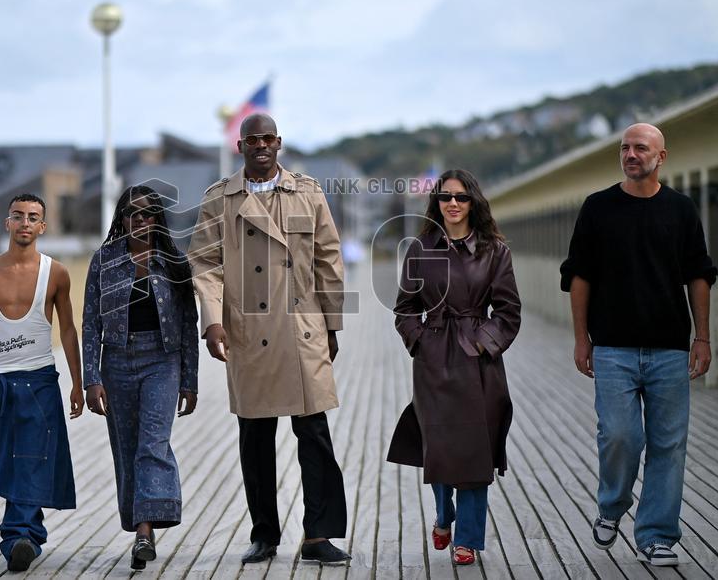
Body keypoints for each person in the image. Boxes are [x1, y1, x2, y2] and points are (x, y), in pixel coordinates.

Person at [188, 113, 351, 564]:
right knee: (254, 438)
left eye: (268, 139)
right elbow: (204, 263)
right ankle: (265, 534)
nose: (260, 145)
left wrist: (333, 325)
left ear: (278, 143)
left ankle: (319, 535)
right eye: (252, 139)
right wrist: (212, 320)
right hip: (247, 331)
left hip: (303, 329)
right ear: (241, 146)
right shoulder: (219, 199)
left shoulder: (309, 192)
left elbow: (329, 260)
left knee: (314, 434)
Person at [560, 123, 716, 567]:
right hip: (613, 348)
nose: (631, 154)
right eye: (625, 147)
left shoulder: (681, 210)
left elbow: (699, 275)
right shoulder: (598, 208)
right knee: (621, 436)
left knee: (669, 444)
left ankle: (656, 535)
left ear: (660, 157)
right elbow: (578, 276)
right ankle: (612, 504)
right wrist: (580, 338)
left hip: (669, 349)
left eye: (640, 148)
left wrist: (701, 337)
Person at [387, 169, 521, 566]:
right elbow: (404, 309)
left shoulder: (495, 250)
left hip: (480, 362)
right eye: (446, 197)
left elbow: (509, 312)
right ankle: (444, 515)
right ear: (437, 203)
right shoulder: (420, 248)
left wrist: (480, 344)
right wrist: (422, 341)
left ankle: (467, 537)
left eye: (461, 197)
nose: (453, 204)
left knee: (477, 451)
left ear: (473, 201)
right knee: (441, 447)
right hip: (434, 360)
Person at [81, 185, 199, 570]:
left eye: (148, 213)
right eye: (133, 213)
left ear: (157, 219)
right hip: (117, 362)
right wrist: (91, 377)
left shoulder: (174, 262)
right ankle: (140, 525)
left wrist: (189, 380)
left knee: (153, 441)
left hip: (162, 362)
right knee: (127, 447)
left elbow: (186, 324)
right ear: (122, 218)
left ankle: (145, 533)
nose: (140, 219)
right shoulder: (104, 260)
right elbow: (89, 323)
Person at [0, 193, 83, 573]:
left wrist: (77, 383)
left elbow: (68, 330)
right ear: (7, 223)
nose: (25, 223)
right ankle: (27, 535)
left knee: (33, 458)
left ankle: (19, 537)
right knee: (8, 461)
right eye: (18, 216)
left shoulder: (57, 273)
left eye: (33, 217)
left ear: (43, 226)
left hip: (40, 379)